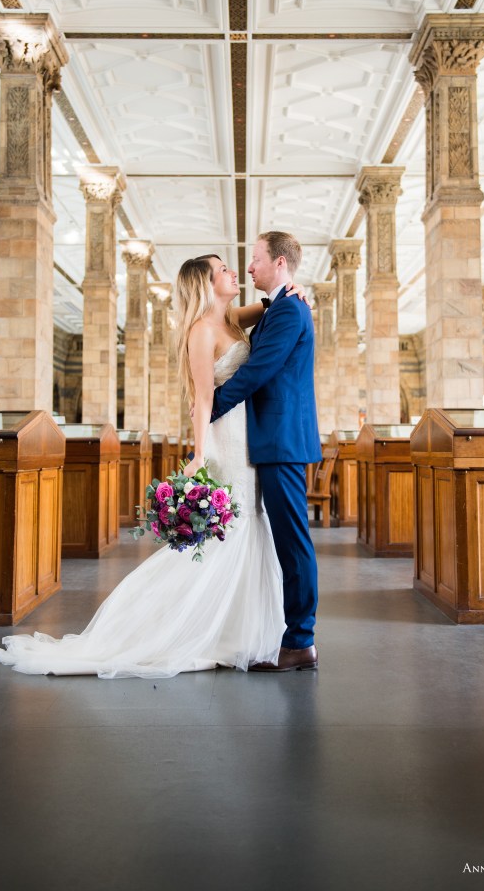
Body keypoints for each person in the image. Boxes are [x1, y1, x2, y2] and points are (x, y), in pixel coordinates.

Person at [0, 255, 306, 679]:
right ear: (205, 284)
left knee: (251, 524)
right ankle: (192, 629)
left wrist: (296, 292)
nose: (234, 272)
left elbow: (273, 306)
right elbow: (203, 399)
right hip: (226, 437)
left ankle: (237, 629)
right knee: (232, 525)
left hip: (253, 436)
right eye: (224, 269)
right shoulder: (200, 331)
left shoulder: (230, 318)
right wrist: (198, 454)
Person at [210, 232, 321, 672]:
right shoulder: (281, 306)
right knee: (287, 539)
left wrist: (212, 406)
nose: (249, 267)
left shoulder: (290, 310)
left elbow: (257, 370)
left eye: (255, 260)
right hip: (273, 438)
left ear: (278, 263)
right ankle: (293, 635)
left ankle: (300, 641)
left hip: (281, 440)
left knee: (293, 542)